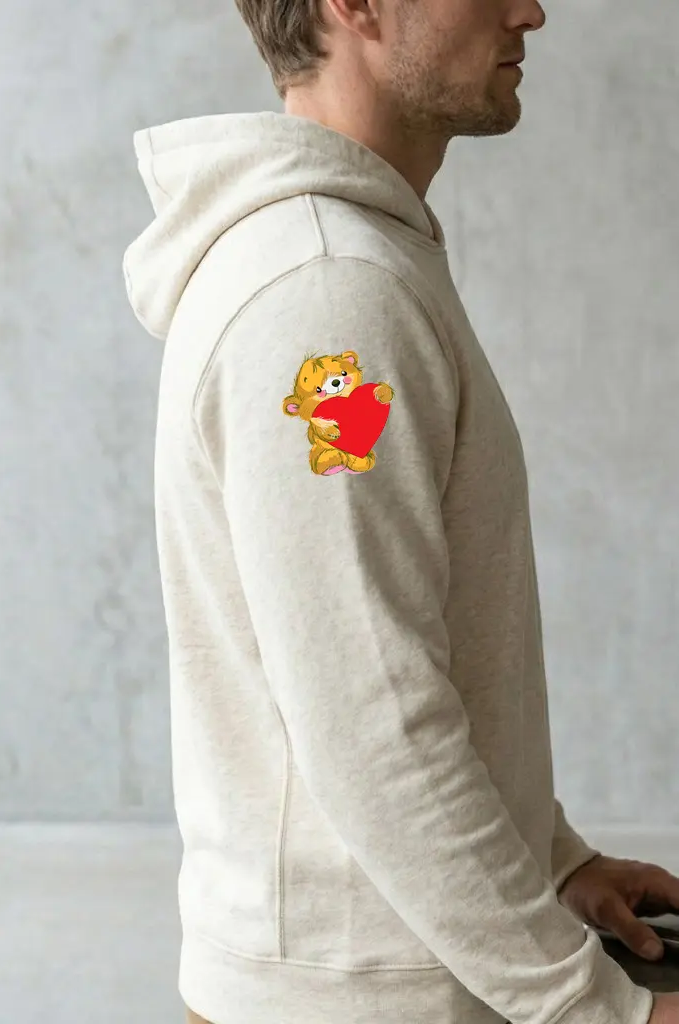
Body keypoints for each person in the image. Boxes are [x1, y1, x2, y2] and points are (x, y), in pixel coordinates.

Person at [122, 0, 679, 1022]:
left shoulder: (350, 260)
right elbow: (372, 723)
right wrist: (597, 1008)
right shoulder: (327, 294)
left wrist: (551, 860)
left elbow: (394, 658)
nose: (530, 11)